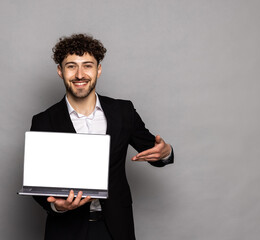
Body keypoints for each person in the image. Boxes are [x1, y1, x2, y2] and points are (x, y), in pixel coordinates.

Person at [30, 33, 174, 240]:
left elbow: (154, 151)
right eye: (71, 66)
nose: (80, 74)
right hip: (65, 230)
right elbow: (37, 183)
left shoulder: (123, 111)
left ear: (98, 69)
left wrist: (166, 152)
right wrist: (56, 206)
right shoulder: (43, 121)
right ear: (60, 71)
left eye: (87, 65)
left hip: (115, 228)